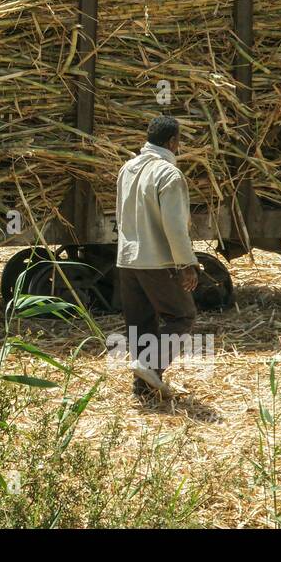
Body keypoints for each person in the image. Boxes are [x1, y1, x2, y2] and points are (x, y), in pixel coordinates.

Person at [115, 115, 199, 397]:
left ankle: (143, 388)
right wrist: (187, 263)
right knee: (182, 315)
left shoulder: (127, 169)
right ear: (173, 142)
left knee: (140, 324)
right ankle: (149, 363)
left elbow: (120, 216)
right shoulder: (169, 174)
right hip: (157, 260)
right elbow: (175, 227)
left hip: (127, 259)